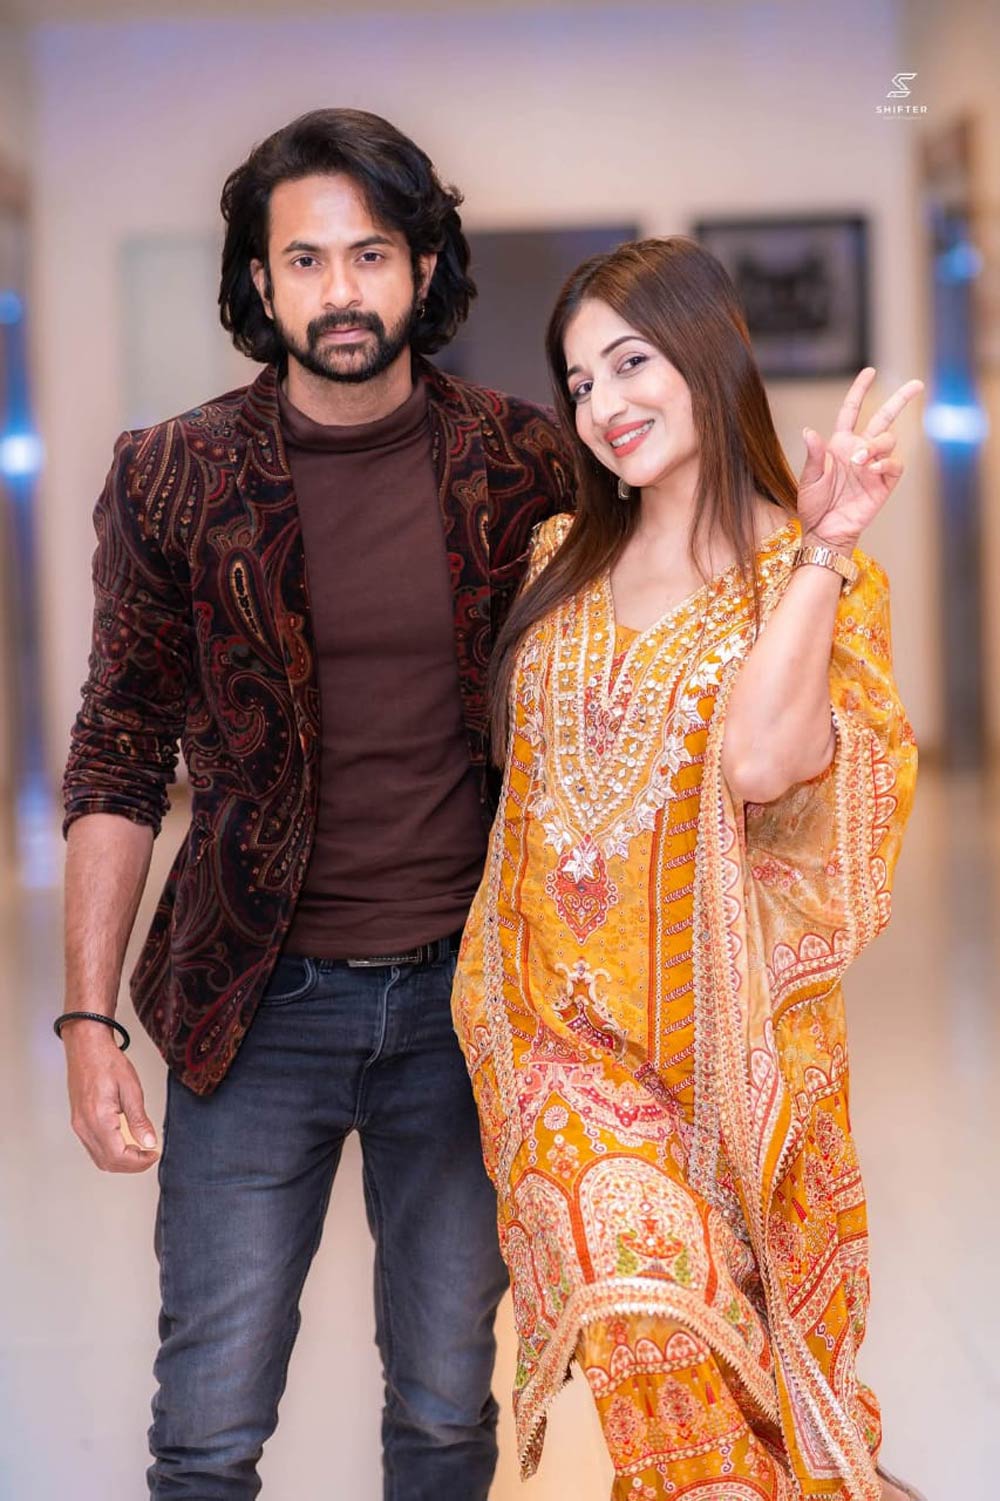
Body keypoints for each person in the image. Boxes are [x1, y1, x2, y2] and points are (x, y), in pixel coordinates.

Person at [57, 108, 573, 1499]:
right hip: (253, 1003)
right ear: (260, 281)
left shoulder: (522, 464)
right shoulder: (173, 475)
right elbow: (118, 753)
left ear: (423, 268)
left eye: (371, 254)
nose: (341, 290)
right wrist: (89, 1020)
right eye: (305, 259)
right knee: (207, 1427)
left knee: (448, 1408)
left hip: (470, 1002)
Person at [451, 236, 923, 1500]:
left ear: (706, 355)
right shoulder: (560, 555)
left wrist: (820, 546)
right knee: (648, 1340)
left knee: (761, 1411)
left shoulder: (816, 578)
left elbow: (764, 763)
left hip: (736, 1068)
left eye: (630, 362)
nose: (602, 405)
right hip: (553, 1052)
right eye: (579, 381)